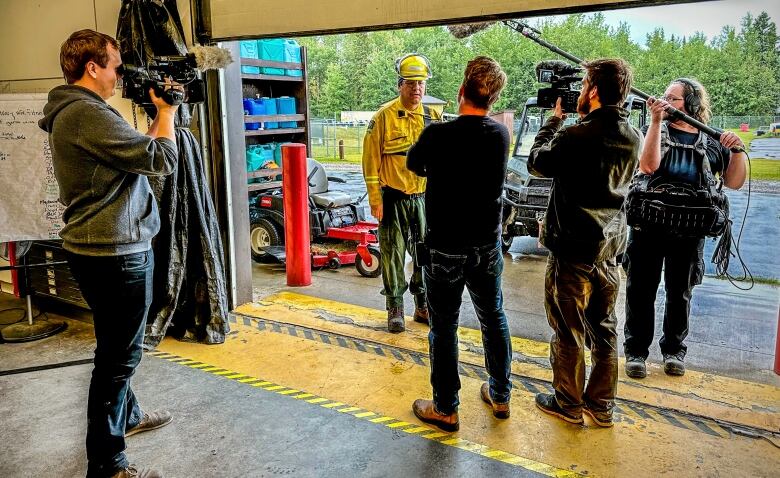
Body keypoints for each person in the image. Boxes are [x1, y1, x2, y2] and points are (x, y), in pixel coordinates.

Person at [39, 29, 180, 478]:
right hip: (115, 252)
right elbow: (161, 160)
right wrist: (168, 111)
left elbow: (136, 157)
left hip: (98, 248)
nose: (120, 75)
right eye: (116, 66)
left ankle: (128, 417)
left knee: (115, 346)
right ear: (92, 67)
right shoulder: (86, 114)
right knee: (119, 360)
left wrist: (160, 112)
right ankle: (107, 462)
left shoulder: (77, 112)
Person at [528, 59, 641, 427]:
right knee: (605, 329)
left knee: (568, 330)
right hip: (609, 252)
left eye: (584, 85)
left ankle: (569, 405)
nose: (578, 93)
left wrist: (552, 123)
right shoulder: (633, 136)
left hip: (573, 252)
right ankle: (601, 406)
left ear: (593, 90)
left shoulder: (576, 135)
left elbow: (537, 163)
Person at [407, 56, 511, 431]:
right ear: (493, 98)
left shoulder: (438, 134)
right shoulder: (500, 135)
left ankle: (446, 408)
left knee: (444, 327)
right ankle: (500, 396)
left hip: (445, 249)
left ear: (461, 90)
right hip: (486, 248)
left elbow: (414, 165)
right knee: (493, 317)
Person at [623, 78, 746, 378]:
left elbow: (734, 182)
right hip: (648, 228)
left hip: (690, 234)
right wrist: (654, 122)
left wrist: (738, 150)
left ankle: (674, 351)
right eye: (665, 97)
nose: (665, 102)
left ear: (691, 104)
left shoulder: (713, 142)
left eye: (673, 99)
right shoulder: (656, 131)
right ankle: (636, 352)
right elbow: (648, 166)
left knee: (680, 293)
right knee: (640, 291)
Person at [362, 53, 442, 333]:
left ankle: (422, 305)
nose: (417, 89)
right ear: (400, 85)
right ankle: (395, 307)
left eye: (420, 83)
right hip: (392, 198)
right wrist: (375, 198)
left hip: (422, 198)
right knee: (393, 253)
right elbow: (370, 160)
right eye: (410, 83)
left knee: (424, 252)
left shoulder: (432, 116)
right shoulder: (382, 117)